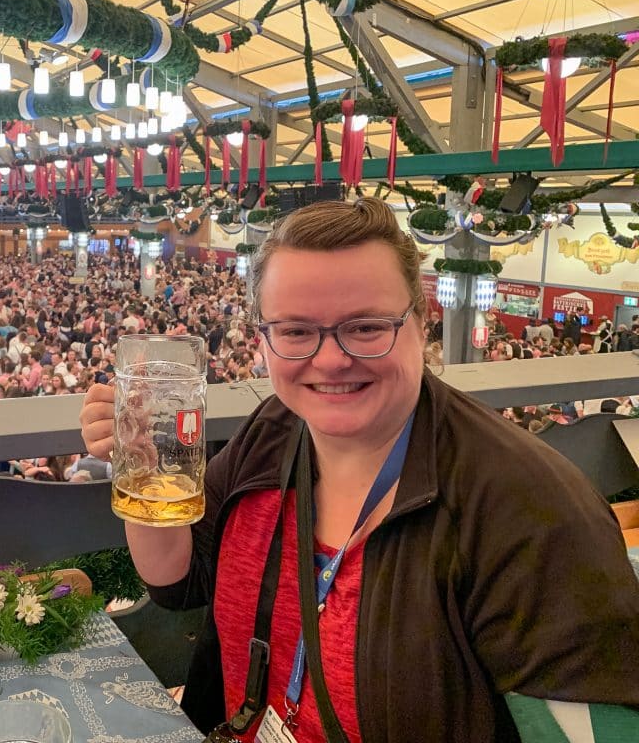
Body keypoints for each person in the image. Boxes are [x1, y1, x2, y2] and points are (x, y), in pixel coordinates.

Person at [80, 198, 639, 741]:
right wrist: (144, 472)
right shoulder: (272, 430)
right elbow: (180, 582)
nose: (330, 359)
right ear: (265, 339)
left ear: (421, 323)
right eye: (296, 331)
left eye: (367, 326)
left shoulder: (532, 511)